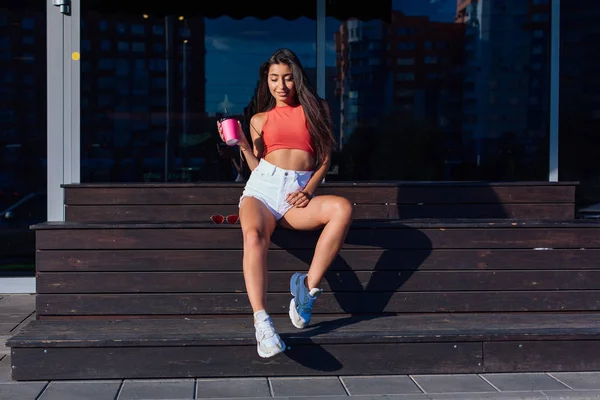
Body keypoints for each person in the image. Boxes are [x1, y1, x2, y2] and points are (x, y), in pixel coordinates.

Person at [217, 48, 353, 358]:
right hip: (262, 189)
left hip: (297, 194)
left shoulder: (317, 109)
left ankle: (308, 288)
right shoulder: (258, 118)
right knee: (253, 237)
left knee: (342, 209)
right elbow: (256, 166)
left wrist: (310, 189)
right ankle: (262, 323)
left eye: (288, 78)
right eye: (274, 79)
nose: (281, 86)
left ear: (298, 79)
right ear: (266, 81)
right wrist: (241, 146)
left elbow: (325, 157)